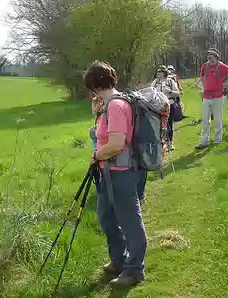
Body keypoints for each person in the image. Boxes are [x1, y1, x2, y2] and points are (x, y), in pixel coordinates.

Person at [85, 61, 147, 287]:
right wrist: (97, 112)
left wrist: (96, 155)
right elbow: (102, 134)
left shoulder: (116, 106)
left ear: (95, 85)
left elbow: (117, 144)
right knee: (107, 219)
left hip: (121, 173)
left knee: (131, 222)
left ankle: (134, 270)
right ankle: (118, 261)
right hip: (107, 174)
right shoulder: (110, 104)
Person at [195, 48, 228, 149]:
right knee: (205, 120)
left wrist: (227, 84)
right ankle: (204, 141)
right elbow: (202, 76)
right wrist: (201, 85)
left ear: (216, 57)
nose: (211, 59)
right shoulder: (205, 66)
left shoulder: (222, 66)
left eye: (213, 57)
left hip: (217, 96)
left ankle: (217, 140)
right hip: (206, 96)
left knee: (218, 119)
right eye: (209, 57)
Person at [151, 65, 181, 151]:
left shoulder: (170, 81)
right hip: (158, 106)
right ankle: (160, 144)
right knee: (158, 124)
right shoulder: (155, 82)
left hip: (169, 104)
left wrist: (170, 92)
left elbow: (178, 93)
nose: (158, 73)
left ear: (164, 73)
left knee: (169, 124)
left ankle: (170, 144)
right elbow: (151, 91)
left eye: (160, 72)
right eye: (157, 72)